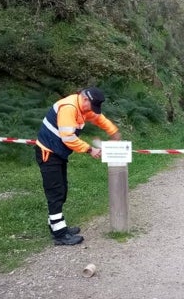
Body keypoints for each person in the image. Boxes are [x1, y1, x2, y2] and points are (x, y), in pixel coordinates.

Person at [35, 87, 121, 245]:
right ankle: (60, 235)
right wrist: (90, 149)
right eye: (91, 106)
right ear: (85, 99)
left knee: (62, 190)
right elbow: (68, 138)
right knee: (55, 192)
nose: (91, 110)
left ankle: (57, 226)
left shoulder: (82, 107)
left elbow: (98, 118)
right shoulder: (69, 108)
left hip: (57, 153)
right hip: (48, 153)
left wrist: (113, 132)